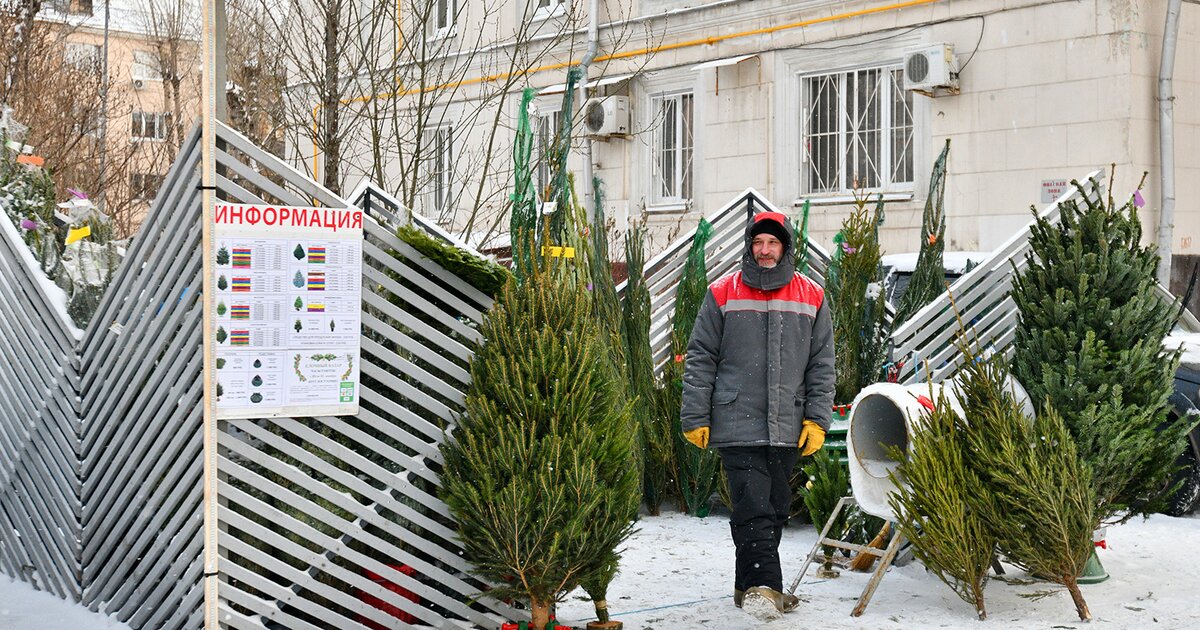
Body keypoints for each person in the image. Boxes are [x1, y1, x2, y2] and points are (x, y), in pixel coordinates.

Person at [679, 210, 835, 621]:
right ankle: (767, 588)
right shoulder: (722, 293)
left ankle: (744, 583)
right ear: (750, 246)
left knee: (776, 507)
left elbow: (822, 365)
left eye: (773, 243)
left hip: (788, 422)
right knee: (753, 506)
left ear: (785, 247)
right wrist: (695, 416)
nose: (765, 250)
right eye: (758, 243)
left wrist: (817, 419)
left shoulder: (812, 295)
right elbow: (700, 357)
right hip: (736, 419)